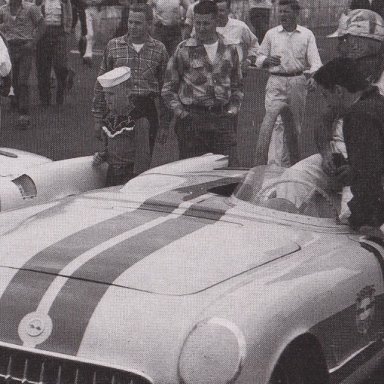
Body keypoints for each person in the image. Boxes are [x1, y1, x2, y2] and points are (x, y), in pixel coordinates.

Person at [161, 0, 243, 164]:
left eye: (206, 23)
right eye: (197, 23)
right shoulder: (183, 49)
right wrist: (182, 114)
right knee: (194, 176)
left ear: (216, 21)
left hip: (222, 119)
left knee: (229, 175)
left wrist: (232, 111)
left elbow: (237, 85)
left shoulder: (230, 49)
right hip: (192, 121)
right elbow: (168, 89)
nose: (201, 27)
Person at [313, 57, 384, 238]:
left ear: (338, 91)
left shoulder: (357, 115)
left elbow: (369, 179)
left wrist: (359, 221)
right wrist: (353, 171)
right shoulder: (376, 102)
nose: (326, 102)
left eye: (325, 95)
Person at [92, 3, 168, 157]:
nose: (133, 26)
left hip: (146, 109)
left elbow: (165, 89)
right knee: (115, 160)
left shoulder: (159, 49)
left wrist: (165, 124)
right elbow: (101, 83)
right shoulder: (114, 46)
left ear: (149, 24)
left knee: (142, 161)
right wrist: (98, 118)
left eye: (138, 23)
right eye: (130, 22)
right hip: (117, 109)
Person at [254, 0, 322, 167]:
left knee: (294, 125)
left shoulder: (306, 34)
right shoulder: (271, 34)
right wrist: (266, 60)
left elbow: (315, 62)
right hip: (275, 80)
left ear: (296, 13)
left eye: (286, 11)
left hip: (297, 81)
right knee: (274, 123)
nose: (282, 15)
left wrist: (314, 77)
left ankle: (289, 165)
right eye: (281, 11)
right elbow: (258, 58)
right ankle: (273, 166)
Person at [93, 66, 151, 186]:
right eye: (105, 95)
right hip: (112, 174)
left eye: (111, 94)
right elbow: (111, 147)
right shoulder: (109, 118)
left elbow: (142, 155)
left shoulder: (138, 119)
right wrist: (103, 155)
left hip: (129, 175)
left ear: (127, 92)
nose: (107, 99)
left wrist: (136, 181)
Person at [0, 0, 45, 128]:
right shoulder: (3, 9)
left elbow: (42, 25)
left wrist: (33, 42)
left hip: (25, 47)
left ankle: (24, 114)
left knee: (22, 80)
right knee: (12, 80)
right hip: (9, 48)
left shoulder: (31, 8)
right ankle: (16, 101)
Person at [35, 0, 75, 106]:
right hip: (43, 34)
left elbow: (69, 15)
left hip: (59, 34)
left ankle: (61, 90)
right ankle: (45, 98)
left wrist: (66, 31)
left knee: (61, 65)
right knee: (43, 67)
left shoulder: (64, 1)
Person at [214, 0, 259, 72]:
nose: (218, 14)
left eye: (221, 10)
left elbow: (255, 47)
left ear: (228, 11)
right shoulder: (206, 27)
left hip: (234, 73)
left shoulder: (240, 26)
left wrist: (248, 61)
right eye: (215, 10)